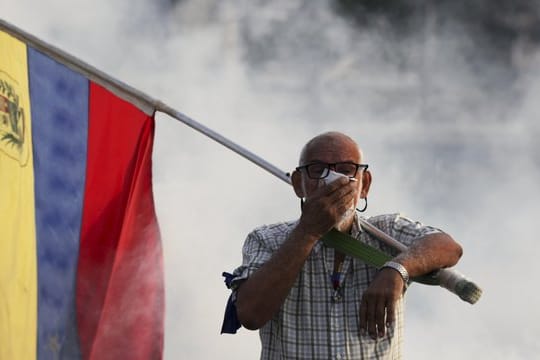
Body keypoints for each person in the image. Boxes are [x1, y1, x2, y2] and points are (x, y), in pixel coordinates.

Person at [222, 131, 463, 359]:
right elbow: (251, 315)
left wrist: (397, 270)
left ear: (364, 185)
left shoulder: (388, 233)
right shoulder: (267, 239)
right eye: (318, 170)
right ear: (298, 183)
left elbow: (448, 247)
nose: (333, 181)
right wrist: (308, 231)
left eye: (346, 170)